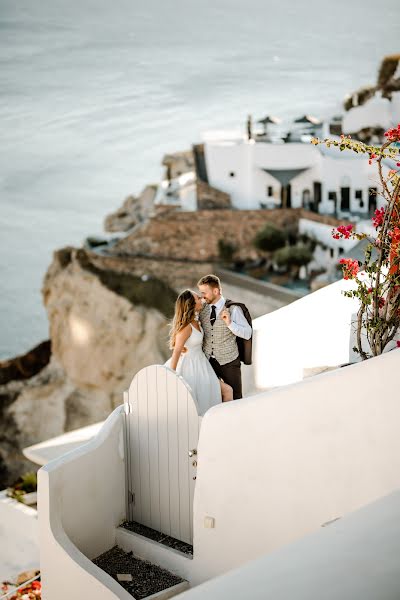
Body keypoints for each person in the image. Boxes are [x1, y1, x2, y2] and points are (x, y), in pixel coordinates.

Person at [165, 289, 233, 415]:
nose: (201, 299)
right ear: (191, 304)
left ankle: (223, 423)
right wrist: (172, 377)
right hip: (191, 368)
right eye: (197, 298)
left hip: (202, 365)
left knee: (227, 391)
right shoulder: (186, 328)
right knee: (205, 401)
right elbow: (176, 352)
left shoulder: (197, 322)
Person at [197, 274, 252, 400]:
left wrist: (230, 324)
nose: (202, 296)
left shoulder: (233, 309)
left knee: (236, 398)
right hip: (208, 362)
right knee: (212, 397)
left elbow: (247, 333)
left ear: (215, 291)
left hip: (229, 361)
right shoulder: (202, 309)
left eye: (204, 292)